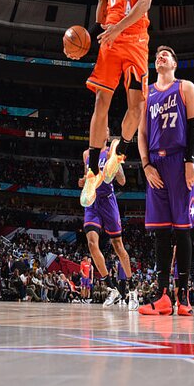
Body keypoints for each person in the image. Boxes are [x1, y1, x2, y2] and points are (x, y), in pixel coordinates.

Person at [64, 0, 154, 207]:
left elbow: (144, 3)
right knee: (100, 103)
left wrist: (118, 27)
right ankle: (92, 170)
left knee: (137, 107)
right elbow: (99, 22)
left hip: (136, 40)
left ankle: (120, 152)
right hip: (111, 45)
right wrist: (77, 46)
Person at [137, 46, 194, 316]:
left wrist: (190, 161)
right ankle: (163, 295)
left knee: (183, 229)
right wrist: (146, 165)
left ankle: (183, 295)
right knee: (161, 232)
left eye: (166, 54)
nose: (160, 56)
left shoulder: (186, 87)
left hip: (179, 161)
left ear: (175, 62)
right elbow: (141, 132)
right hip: (155, 164)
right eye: (157, 55)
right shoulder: (146, 93)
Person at [78, 128, 133, 307]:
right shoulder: (87, 154)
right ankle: (112, 288)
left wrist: (115, 166)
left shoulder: (111, 152)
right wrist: (83, 181)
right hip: (93, 202)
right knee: (92, 244)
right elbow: (86, 180)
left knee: (118, 246)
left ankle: (132, 288)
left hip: (108, 201)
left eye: (104, 130)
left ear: (107, 136)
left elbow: (123, 181)